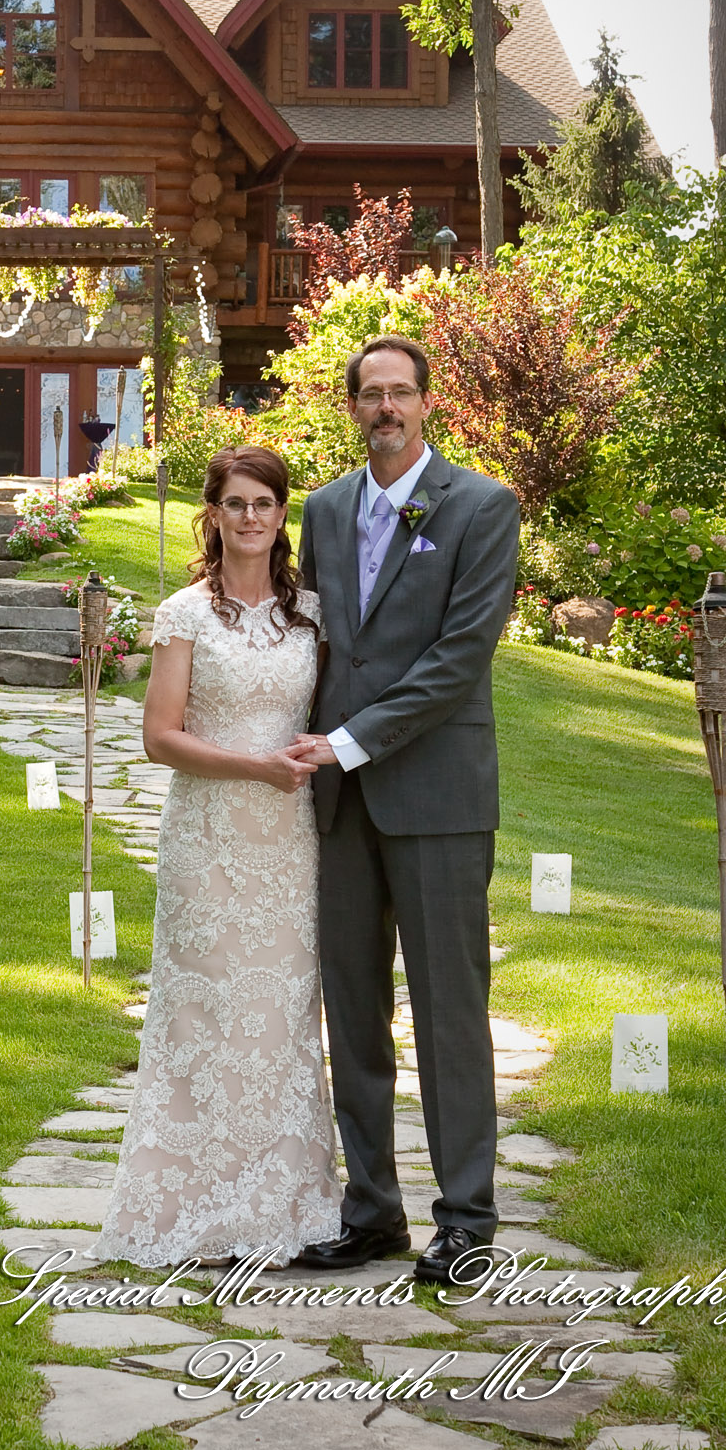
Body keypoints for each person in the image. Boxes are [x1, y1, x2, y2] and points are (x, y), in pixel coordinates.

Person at [285, 334, 520, 1287]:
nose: (386, 408)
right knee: (354, 1009)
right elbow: (311, 637)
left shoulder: (483, 505)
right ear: (353, 409)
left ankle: (466, 1218)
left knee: (449, 1013)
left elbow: (460, 656)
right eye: (370, 395)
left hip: (438, 798)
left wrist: (349, 740)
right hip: (340, 806)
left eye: (401, 393)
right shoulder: (326, 508)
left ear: (427, 404)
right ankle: (371, 1210)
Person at [96, 446, 341, 1268]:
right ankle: (188, 1205)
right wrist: (255, 767)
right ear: (213, 513)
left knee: (279, 1014)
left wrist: (309, 756)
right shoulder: (184, 613)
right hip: (209, 840)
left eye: (264, 503)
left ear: (282, 515)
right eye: (235, 503)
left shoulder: (311, 612)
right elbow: (160, 736)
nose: (249, 517)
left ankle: (280, 1202)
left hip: (291, 841)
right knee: (200, 1014)